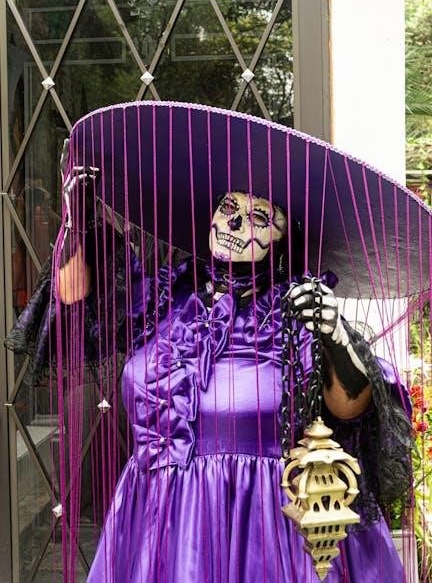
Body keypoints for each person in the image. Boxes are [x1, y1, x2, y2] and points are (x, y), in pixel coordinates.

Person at [50, 189, 409, 582]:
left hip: (262, 525)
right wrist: (78, 220)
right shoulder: (164, 299)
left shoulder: (297, 313)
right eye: (228, 208)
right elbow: (71, 293)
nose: (234, 223)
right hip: (158, 523)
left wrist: (333, 334)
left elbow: (350, 406)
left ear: (284, 240)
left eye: (259, 218)